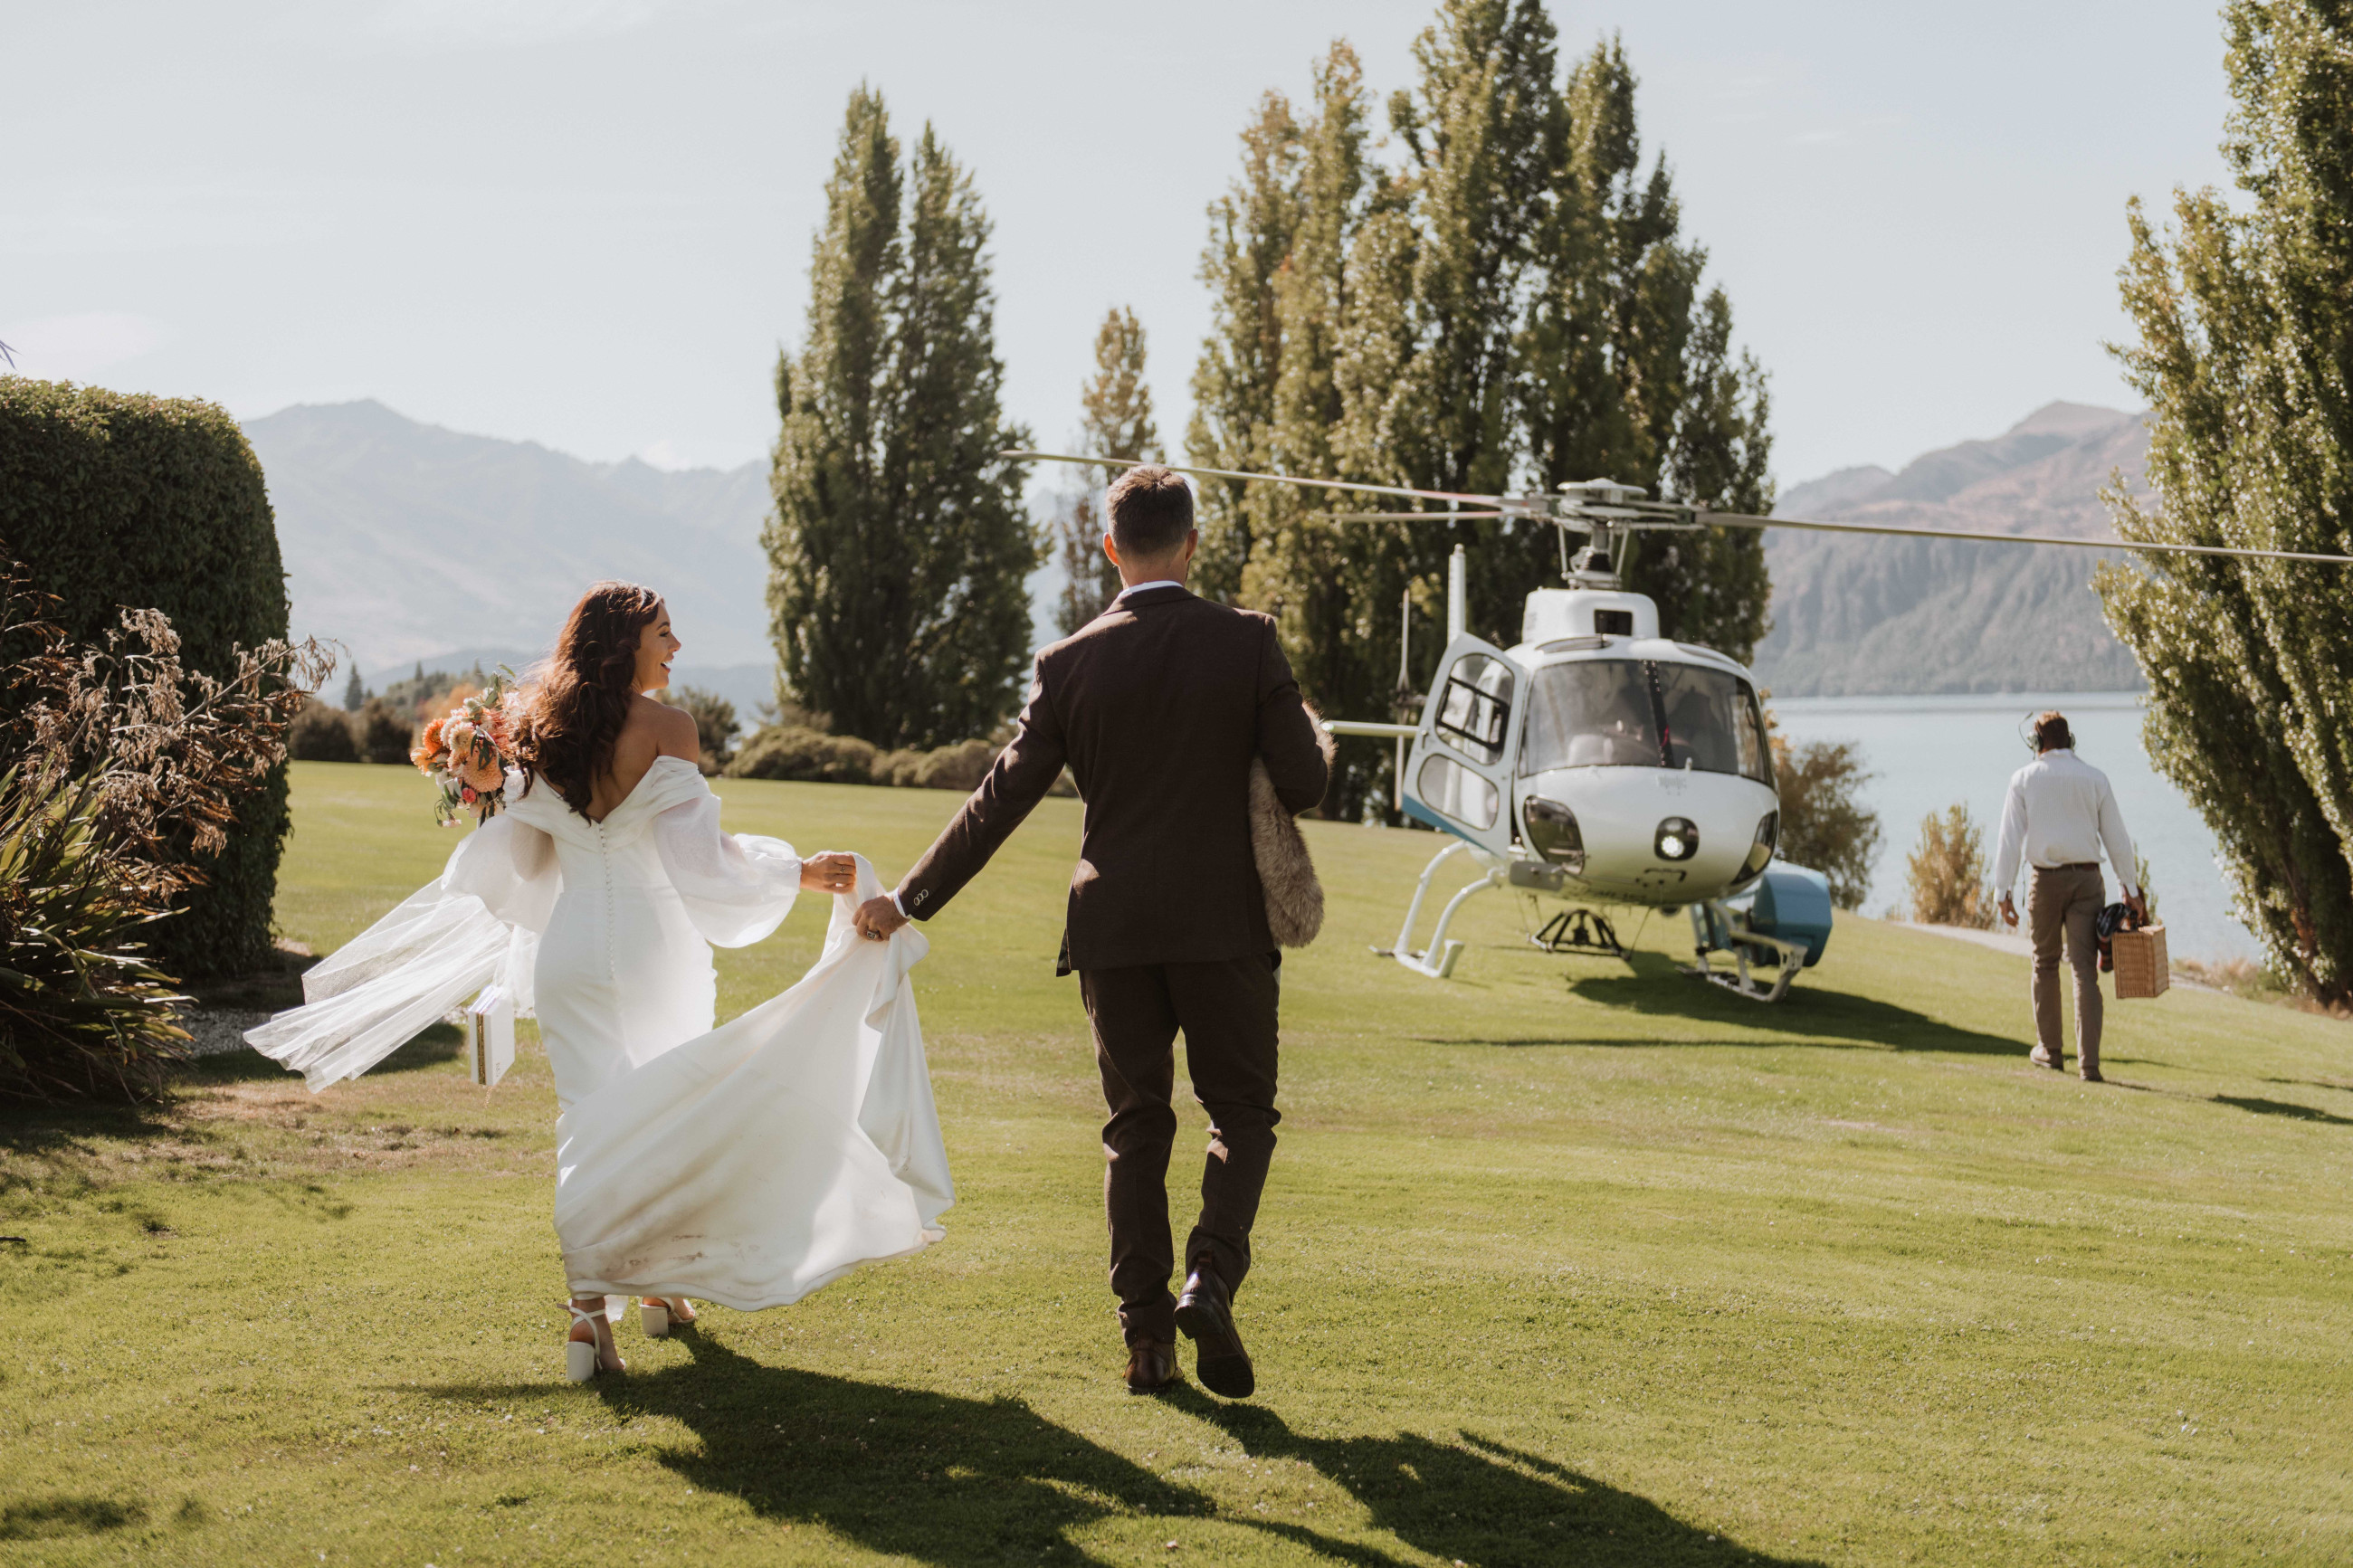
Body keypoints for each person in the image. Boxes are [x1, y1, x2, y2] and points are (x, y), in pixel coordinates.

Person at [248, 583, 953, 1381]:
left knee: (591, 1122)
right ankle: (636, 1288)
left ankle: (605, 1308)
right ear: (624, 642)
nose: (676, 647)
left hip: (574, 953)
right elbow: (699, 862)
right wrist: (796, 872)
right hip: (656, 950)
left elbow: (518, 833)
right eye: (664, 632)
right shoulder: (670, 729)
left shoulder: (536, 729)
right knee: (667, 1117)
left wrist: (488, 771)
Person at [853, 466, 1329, 1400]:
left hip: (1111, 926)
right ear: (1193, 542)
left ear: (1108, 547)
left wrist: (907, 899)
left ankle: (1146, 1340)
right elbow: (1304, 784)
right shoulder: (1247, 642)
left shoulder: (1066, 662)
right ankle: (1210, 1277)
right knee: (1240, 1115)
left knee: (1133, 1124)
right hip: (1221, 924)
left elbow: (999, 800)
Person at [1992, 709, 2145, 1083]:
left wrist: (2003, 890)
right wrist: (2132, 888)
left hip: (2044, 882)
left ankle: (2050, 1051)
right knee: (2084, 973)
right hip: (2088, 881)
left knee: (2044, 964)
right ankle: (2089, 1065)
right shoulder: (2095, 778)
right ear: (2070, 740)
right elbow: (2117, 839)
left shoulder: (2023, 779)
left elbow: (2009, 840)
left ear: (2037, 743)